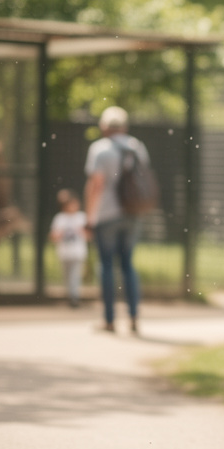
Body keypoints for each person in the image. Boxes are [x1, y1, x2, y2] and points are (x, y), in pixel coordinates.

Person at [84, 106, 149, 333]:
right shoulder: (136, 146)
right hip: (132, 213)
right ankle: (133, 317)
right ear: (125, 126)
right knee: (128, 264)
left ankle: (109, 320)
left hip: (106, 215)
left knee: (107, 266)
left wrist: (89, 218)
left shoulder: (100, 150)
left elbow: (96, 185)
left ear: (104, 127)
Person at [50, 189, 88, 308]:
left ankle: (74, 298)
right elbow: (53, 236)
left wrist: (81, 231)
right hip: (64, 253)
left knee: (75, 276)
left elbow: (89, 235)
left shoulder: (82, 217)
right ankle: (71, 296)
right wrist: (59, 234)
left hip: (78, 253)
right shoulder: (59, 218)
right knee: (67, 276)